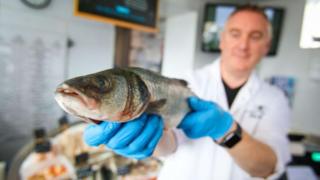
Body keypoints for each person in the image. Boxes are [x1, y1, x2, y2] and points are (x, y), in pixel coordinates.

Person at [83, 4, 291, 179]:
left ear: (266, 46)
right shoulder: (185, 83)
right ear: (222, 39)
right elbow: (170, 143)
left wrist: (227, 131)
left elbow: (266, 168)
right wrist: (151, 140)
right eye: (235, 34)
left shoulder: (274, 98)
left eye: (255, 36)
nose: (243, 45)